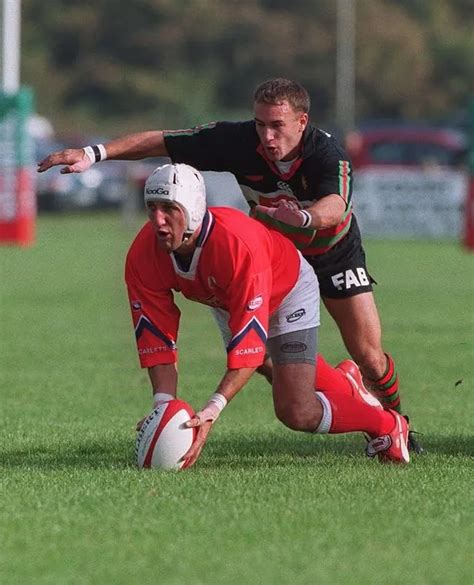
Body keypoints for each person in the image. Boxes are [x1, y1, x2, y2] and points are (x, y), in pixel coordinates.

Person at [37, 77, 421, 452]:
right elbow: (164, 142)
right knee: (269, 364)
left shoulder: (327, 153)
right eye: (260, 124)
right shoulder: (238, 142)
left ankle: (397, 421)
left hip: (333, 252)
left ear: (302, 123)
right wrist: (94, 154)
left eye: (277, 126)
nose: (267, 137)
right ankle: (355, 399)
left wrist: (303, 218)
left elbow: (333, 207)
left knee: (369, 355)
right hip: (269, 255)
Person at [125, 162, 410, 467]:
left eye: (169, 207)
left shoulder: (235, 246)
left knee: (295, 409)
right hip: (228, 297)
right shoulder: (143, 253)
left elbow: (248, 351)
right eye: (151, 207)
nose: (158, 219)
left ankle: (387, 425)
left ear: (194, 208)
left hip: (286, 288)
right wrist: (162, 407)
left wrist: (212, 410)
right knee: (273, 368)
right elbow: (157, 340)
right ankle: (347, 384)